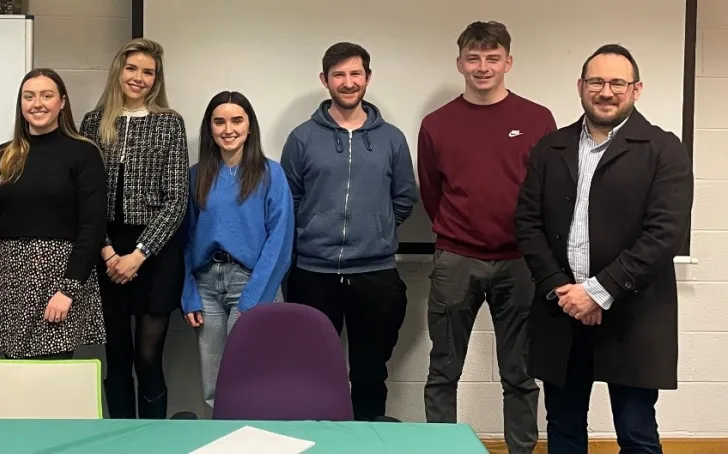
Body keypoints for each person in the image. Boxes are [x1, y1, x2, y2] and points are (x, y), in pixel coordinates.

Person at [515, 44, 692, 454]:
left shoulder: (664, 149)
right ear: (580, 86)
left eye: (617, 83)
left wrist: (597, 291)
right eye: (596, 81)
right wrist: (562, 288)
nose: (606, 91)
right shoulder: (550, 148)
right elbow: (527, 223)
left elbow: (665, 233)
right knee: (562, 427)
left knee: (636, 432)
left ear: (636, 89)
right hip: (562, 312)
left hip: (633, 314)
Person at [417, 21, 555, 454]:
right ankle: (442, 449)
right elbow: (431, 193)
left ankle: (521, 450)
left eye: (492, 58)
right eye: (473, 58)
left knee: (519, 372)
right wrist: (461, 230)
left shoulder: (537, 119)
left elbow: (548, 191)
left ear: (508, 62)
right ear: (460, 63)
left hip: (520, 262)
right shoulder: (436, 124)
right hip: (456, 258)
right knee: (443, 369)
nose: (482, 67)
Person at [280, 42, 418, 422]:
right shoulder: (302, 137)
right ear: (324, 80)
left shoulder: (391, 139)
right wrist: (314, 230)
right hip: (313, 273)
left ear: (368, 78)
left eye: (355, 73)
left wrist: (375, 229)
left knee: (370, 372)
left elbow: (405, 198)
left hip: (374, 274)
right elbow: (288, 198)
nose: (348, 82)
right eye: (338, 74)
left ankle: (367, 442)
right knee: (312, 371)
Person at [79, 38, 189, 420]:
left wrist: (139, 254)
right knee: (117, 357)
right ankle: (121, 439)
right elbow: (86, 199)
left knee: (148, 357)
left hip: (154, 253)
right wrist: (109, 253)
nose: (139, 78)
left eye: (148, 72)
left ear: (156, 79)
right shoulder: (94, 123)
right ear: (118, 71)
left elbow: (177, 200)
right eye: (132, 69)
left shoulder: (170, 122)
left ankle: (153, 441)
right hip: (106, 250)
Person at [0, 68, 108, 360]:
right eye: (29, 96)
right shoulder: (3, 156)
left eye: (46, 95)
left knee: (52, 378)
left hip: (61, 278)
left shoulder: (83, 154)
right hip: (8, 280)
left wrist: (69, 290)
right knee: (15, 381)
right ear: (21, 105)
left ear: (62, 102)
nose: (37, 103)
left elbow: (92, 227)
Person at [182, 91, 293, 408]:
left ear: (249, 126)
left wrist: (255, 297)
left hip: (252, 282)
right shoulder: (195, 175)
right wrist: (188, 293)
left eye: (236, 120)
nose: (228, 129)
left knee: (254, 379)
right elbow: (185, 241)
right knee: (214, 388)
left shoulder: (271, 173)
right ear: (210, 128)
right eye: (219, 121)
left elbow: (281, 240)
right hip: (206, 287)